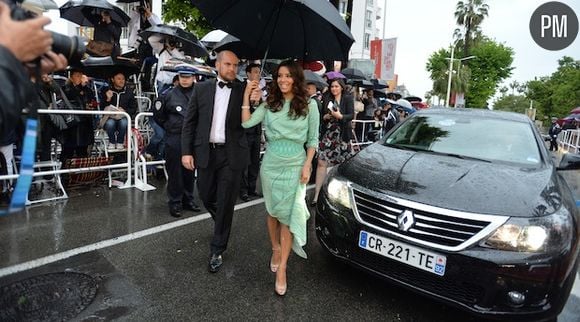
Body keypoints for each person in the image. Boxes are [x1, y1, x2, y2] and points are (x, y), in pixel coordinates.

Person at [241, 60, 319, 296]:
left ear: (296, 78)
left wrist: (307, 166)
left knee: (287, 217)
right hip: (271, 165)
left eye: (288, 76)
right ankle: (275, 247)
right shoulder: (270, 104)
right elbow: (247, 123)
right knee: (273, 213)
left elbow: (313, 141)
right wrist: (247, 95)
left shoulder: (310, 105)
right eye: (280, 76)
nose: (283, 80)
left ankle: (283, 267)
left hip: (295, 166)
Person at [181, 50, 249, 273]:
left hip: (231, 155)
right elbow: (189, 123)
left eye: (236, 65)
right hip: (205, 153)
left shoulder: (243, 90)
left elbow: (252, 122)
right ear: (218, 66)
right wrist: (186, 152)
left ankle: (217, 249)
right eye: (228, 64)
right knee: (206, 195)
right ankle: (221, 221)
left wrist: (254, 101)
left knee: (226, 200)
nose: (232, 69)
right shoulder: (201, 89)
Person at [153, 64, 201, 217]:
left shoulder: (199, 94)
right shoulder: (169, 94)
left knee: (189, 171)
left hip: (193, 138)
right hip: (175, 137)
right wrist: (169, 126)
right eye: (182, 77)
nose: (185, 80)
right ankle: (175, 202)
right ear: (178, 77)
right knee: (175, 172)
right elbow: (159, 115)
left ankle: (188, 199)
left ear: (194, 78)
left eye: (188, 77)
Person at [312, 78, 354, 206]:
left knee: (342, 166)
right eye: (332, 86)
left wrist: (340, 116)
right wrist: (326, 116)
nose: (334, 89)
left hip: (342, 135)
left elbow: (351, 115)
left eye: (336, 86)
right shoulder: (326, 98)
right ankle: (316, 195)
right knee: (321, 162)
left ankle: (339, 197)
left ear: (341, 87)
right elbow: (322, 115)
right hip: (328, 134)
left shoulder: (347, 98)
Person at [239, 63, 263, 201]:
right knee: (245, 162)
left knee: (254, 161)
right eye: (255, 72)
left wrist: (258, 102)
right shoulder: (243, 88)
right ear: (248, 74)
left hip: (256, 131)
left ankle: (252, 187)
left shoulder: (259, 89)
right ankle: (242, 190)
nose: (257, 75)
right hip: (245, 131)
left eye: (259, 72)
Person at [61, 69, 96, 161]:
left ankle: (81, 172)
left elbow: (92, 101)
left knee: (83, 151)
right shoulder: (66, 88)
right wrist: (79, 86)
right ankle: (65, 172)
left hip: (85, 123)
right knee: (68, 151)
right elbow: (68, 99)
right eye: (77, 76)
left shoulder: (87, 90)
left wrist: (91, 106)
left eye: (81, 75)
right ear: (71, 78)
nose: (80, 78)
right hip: (71, 123)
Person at [100, 71, 137, 150]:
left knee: (124, 123)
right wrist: (108, 99)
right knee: (110, 123)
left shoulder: (129, 92)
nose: (121, 81)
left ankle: (120, 142)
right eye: (119, 79)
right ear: (113, 80)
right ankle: (112, 142)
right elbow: (101, 107)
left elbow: (134, 108)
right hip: (109, 117)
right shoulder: (106, 90)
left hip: (123, 117)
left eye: (123, 79)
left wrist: (125, 111)